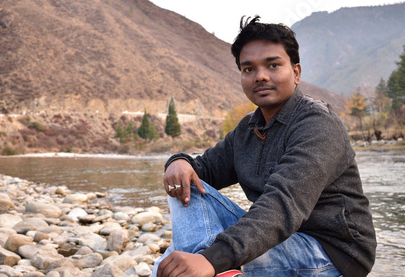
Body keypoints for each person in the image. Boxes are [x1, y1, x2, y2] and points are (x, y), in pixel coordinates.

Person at [152, 16, 376, 277]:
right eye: (249, 69)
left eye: (273, 65)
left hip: (331, 252)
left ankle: (213, 267)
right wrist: (179, 162)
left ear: (296, 72)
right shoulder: (249, 128)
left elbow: (282, 204)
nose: (260, 76)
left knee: (170, 265)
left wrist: (211, 260)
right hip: (278, 238)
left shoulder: (317, 124)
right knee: (185, 183)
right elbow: (205, 168)